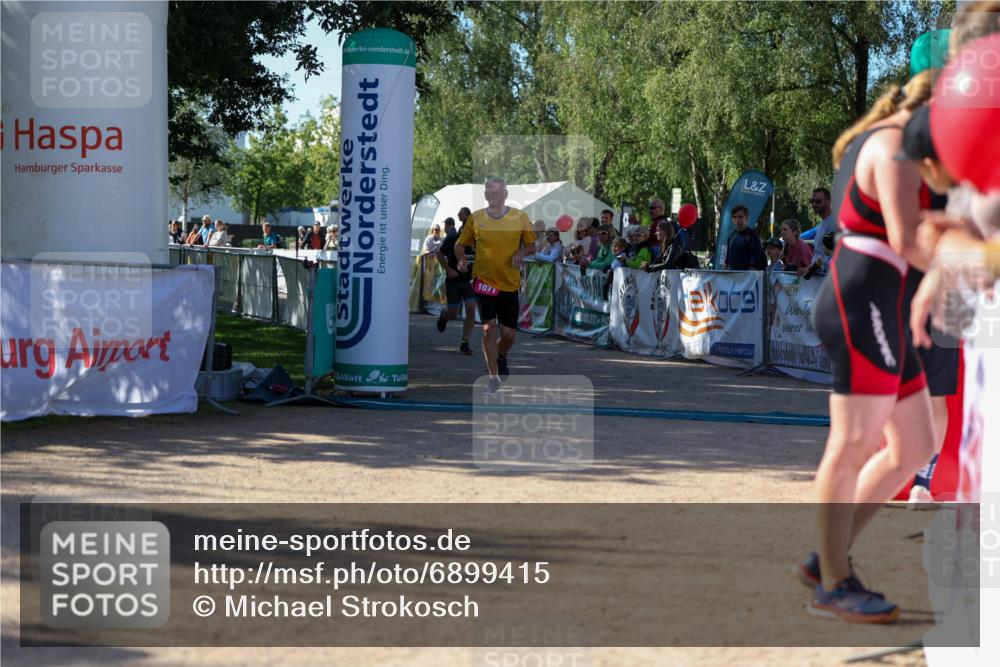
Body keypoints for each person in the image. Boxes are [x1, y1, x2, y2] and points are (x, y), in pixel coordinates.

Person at [802, 70, 938, 624]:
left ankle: (825, 557)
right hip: (863, 298)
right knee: (853, 441)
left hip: (882, 302)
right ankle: (835, 582)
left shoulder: (903, 146)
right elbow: (910, 239)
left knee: (913, 443)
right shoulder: (895, 148)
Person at [454, 177, 537, 394]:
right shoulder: (476, 218)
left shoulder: (519, 217)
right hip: (484, 282)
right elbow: (460, 245)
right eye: (490, 192)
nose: (494, 195)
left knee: (508, 334)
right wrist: (461, 259)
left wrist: (521, 252)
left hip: (509, 284)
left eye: (498, 192)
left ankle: (501, 356)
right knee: (489, 328)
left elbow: (532, 246)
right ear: (485, 195)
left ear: (505, 194)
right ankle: (493, 377)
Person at [436, 217, 477, 355]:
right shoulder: (453, 239)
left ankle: (464, 343)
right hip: (453, 281)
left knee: (471, 312)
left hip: (469, 282)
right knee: (453, 314)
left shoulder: (478, 242)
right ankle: (444, 315)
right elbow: (439, 254)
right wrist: (448, 269)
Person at [723, 205, 767, 270]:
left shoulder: (752, 235)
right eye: (734, 217)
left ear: (746, 218)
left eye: (740, 217)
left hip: (746, 276)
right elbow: (727, 259)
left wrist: (748, 277)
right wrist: (723, 274)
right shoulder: (731, 235)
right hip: (731, 275)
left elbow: (755, 259)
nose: (737, 220)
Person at [810, 188, 837, 271]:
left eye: (818, 201)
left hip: (826, 278)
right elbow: (820, 254)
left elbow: (833, 256)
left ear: (828, 202)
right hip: (818, 277)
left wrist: (813, 269)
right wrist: (810, 269)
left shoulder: (833, 222)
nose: (814, 204)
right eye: (812, 201)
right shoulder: (823, 223)